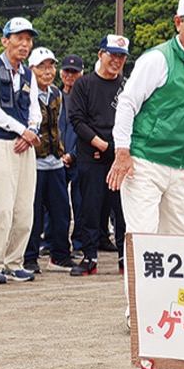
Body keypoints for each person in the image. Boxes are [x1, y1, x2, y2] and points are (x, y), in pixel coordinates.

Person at [109, 0, 184, 244]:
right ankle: (138, 286)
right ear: (178, 23)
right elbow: (127, 103)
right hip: (145, 162)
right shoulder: (157, 59)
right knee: (143, 239)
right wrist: (122, 152)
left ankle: (179, 288)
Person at [0, 18, 43, 285]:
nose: (24, 44)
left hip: (24, 146)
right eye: (19, 38)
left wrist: (30, 133)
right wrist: (21, 130)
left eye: (28, 39)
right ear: (5, 40)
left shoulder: (28, 74)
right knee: (1, 208)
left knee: (24, 209)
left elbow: (35, 112)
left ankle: (14, 262)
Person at [68, 35, 129, 276]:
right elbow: (77, 120)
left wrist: (118, 148)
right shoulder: (84, 84)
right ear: (100, 54)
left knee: (123, 211)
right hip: (91, 154)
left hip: (120, 155)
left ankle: (125, 257)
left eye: (121, 56)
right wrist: (102, 145)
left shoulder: (126, 85)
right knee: (90, 208)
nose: (116, 60)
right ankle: (89, 256)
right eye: (112, 54)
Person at [23, 47, 72, 273]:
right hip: (33, 161)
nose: (47, 71)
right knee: (32, 212)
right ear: (31, 69)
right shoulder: (24, 93)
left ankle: (60, 255)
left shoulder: (57, 94)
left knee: (61, 210)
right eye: (41, 67)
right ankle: (29, 257)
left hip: (55, 161)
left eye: (51, 66)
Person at [58, 55, 84, 257]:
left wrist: (72, 155)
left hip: (79, 158)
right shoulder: (55, 97)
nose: (70, 76)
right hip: (56, 159)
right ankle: (52, 242)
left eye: (74, 72)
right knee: (56, 205)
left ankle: (79, 242)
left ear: (82, 73)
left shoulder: (85, 98)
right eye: (67, 71)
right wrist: (60, 154)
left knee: (80, 203)